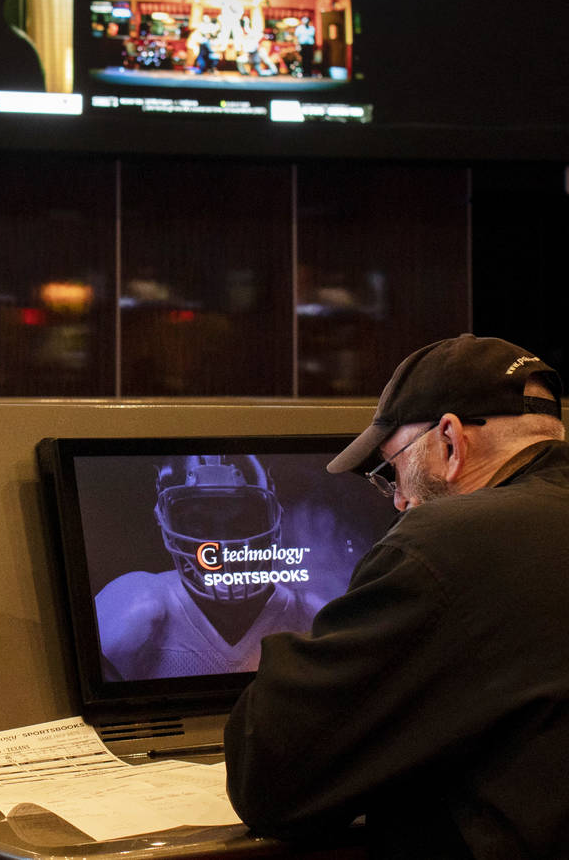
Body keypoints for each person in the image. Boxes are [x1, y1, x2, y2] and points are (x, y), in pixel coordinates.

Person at [225, 333, 569, 860]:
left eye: (391, 471)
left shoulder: (448, 542)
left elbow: (269, 782)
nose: (402, 500)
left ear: (450, 441)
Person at [95, 454, 320, 680]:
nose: (221, 544)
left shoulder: (309, 613)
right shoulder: (139, 604)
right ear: (166, 521)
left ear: (272, 520)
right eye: (199, 524)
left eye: (241, 522)